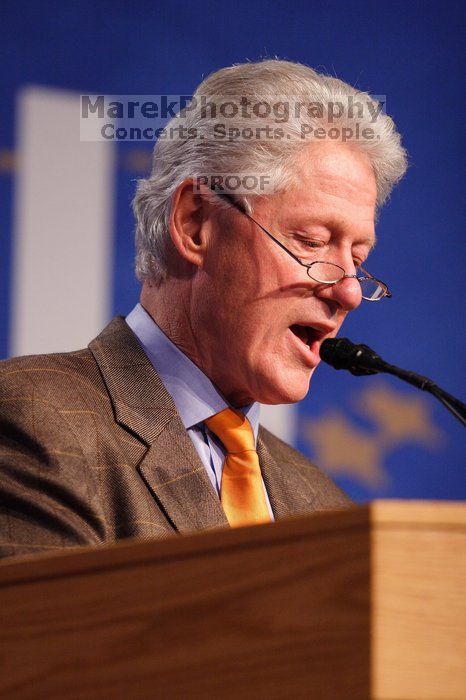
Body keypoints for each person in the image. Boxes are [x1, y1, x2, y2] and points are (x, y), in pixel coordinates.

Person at [0, 59, 407, 559]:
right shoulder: (33, 419)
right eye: (313, 241)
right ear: (196, 223)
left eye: (359, 260)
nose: (347, 292)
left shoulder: (324, 507)